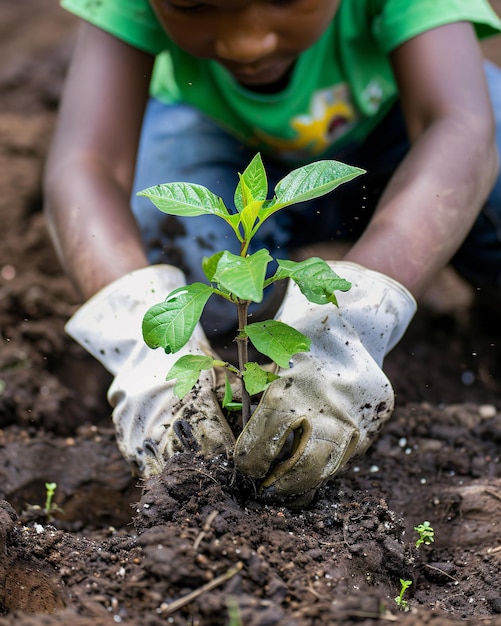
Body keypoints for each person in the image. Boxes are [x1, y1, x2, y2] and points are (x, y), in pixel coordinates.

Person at [44, 0, 501, 507]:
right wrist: (139, 339)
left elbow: (461, 125)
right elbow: (85, 166)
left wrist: (353, 322)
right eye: (192, 6)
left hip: (403, 126)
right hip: (216, 134)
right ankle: (257, 371)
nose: (247, 43)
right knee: (186, 255)